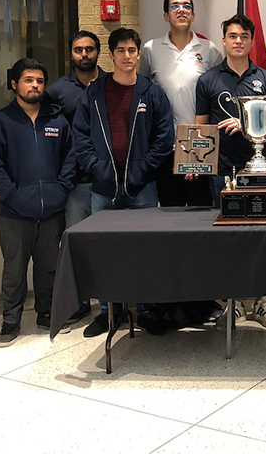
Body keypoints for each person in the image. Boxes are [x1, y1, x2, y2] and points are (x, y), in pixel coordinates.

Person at [73, 27, 175, 337]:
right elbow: (80, 135)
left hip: (142, 188)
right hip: (103, 189)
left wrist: (143, 168)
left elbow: (164, 137)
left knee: (145, 250)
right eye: (121, 51)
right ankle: (108, 312)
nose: (127, 56)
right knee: (104, 251)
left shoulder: (151, 92)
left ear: (139, 54)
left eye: (132, 51)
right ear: (111, 55)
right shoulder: (94, 92)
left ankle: (145, 309)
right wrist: (96, 167)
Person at [195, 14, 266, 330]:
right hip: (221, 172)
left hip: (261, 171)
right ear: (224, 40)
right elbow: (200, 128)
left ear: (251, 41)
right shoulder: (208, 79)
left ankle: (263, 300)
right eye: (232, 35)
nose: (238, 41)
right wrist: (194, 162)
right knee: (227, 238)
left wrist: (250, 125)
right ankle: (231, 302)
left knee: (263, 236)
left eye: (243, 36)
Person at [0, 59, 75, 346]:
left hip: (52, 212)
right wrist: (13, 195)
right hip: (14, 212)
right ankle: (11, 321)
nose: (34, 85)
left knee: (48, 267)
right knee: (14, 269)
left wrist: (61, 190)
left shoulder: (57, 121)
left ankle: (46, 313)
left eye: (39, 81)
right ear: (14, 84)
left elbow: (70, 158)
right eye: (28, 80)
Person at [138, 0, 222, 206]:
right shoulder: (151, 49)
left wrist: (199, 149)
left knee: (200, 214)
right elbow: (142, 92)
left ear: (193, 15)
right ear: (166, 16)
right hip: (165, 147)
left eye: (187, 6)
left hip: (202, 147)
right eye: (175, 6)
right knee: (170, 214)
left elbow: (218, 97)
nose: (181, 10)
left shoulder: (209, 50)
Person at [45, 30, 104, 324]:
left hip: (108, 180)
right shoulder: (57, 91)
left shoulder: (112, 84)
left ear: (98, 52)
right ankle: (79, 302)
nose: (84, 54)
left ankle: (113, 298)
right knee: (76, 243)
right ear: (71, 53)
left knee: (107, 243)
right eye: (79, 50)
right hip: (76, 182)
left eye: (90, 49)